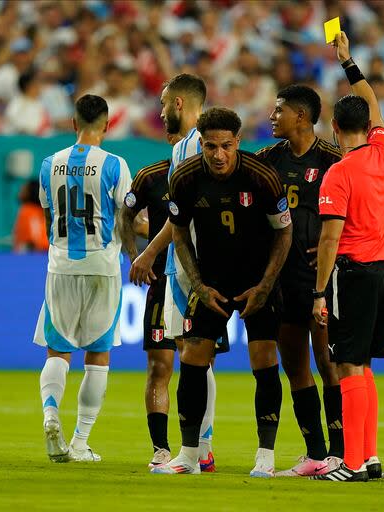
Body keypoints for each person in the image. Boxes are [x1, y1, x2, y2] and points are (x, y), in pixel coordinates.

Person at [152, 107, 292, 475]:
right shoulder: (184, 178)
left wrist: (264, 286)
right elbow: (179, 233)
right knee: (193, 359)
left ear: (238, 142)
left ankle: (265, 456)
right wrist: (198, 283)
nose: (218, 154)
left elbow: (284, 232)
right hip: (211, 282)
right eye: (210, 146)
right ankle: (189, 454)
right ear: (200, 143)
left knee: (264, 361)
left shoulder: (262, 177)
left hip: (256, 282)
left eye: (226, 146)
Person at [310, 32, 384, 482]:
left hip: (354, 273)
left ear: (333, 127)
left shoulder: (338, 173)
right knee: (362, 365)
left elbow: (329, 239)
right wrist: (349, 63)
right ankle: (371, 455)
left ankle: (352, 461)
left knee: (346, 363)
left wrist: (319, 293)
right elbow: (372, 101)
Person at [33, 94, 135, 463]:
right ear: (106, 125)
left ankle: (49, 415)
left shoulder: (49, 164)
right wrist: (133, 248)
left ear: (73, 124)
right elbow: (127, 216)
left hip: (60, 264)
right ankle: (79, 442)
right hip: (102, 266)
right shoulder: (114, 165)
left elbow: (47, 217)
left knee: (57, 351)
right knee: (98, 355)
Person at [127, 73, 219, 472]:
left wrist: (147, 252)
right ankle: (196, 449)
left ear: (179, 104)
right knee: (191, 354)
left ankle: (194, 451)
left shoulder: (197, 145)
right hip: (188, 265)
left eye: (164, 103)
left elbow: (183, 217)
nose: (160, 110)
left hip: (193, 267)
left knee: (196, 354)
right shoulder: (196, 145)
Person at [256, 84, 343, 476]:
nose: (272, 117)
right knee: (295, 366)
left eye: (279, 111)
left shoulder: (332, 160)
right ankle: (315, 451)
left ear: (302, 117)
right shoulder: (266, 159)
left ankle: (339, 453)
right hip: (281, 279)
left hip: (320, 277)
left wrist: (335, 251)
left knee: (328, 362)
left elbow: (357, 212)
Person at [119, 131, 183, 469]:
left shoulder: (213, 174)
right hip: (161, 281)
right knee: (160, 366)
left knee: (202, 366)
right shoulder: (151, 176)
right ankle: (161, 449)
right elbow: (126, 216)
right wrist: (134, 255)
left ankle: (202, 446)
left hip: (204, 285)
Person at [13, 179, 49, 252]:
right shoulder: (41, 210)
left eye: (24, 189)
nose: (20, 191)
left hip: (35, 255)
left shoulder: (28, 211)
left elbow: (36, 239)